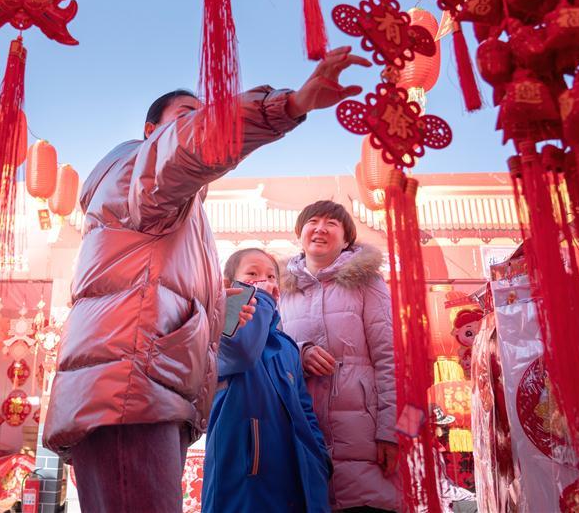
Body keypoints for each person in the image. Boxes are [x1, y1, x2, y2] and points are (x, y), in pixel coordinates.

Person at [41, 47, 372, 513]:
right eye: (187, 118)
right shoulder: (137, 171)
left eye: (270, 275)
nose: (200, 125)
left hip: (147, 391)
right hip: (130, 388)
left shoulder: (182, 216)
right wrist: (289, 105)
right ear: (152, 133)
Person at [280, 200, 399, 513]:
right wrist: (300, 354)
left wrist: (390, 431)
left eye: (332, 223)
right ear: (300, 233)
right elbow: (273, 353)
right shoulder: (282, 291)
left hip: (363, 436)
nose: (320, 228)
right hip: (303, 432)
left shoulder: (368, 282)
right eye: (313, 221)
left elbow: (389, 357)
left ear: (347, 239)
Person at [202, 248, 331, 513]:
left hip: (294, 474)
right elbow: (241, 351)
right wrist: (255, 299)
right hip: (244, 475)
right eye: (252, 274)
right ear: (229, 284)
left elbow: (304, 409)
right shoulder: (217, 328)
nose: (264, 282)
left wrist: (317, 456)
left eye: (271, 276)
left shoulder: (286, 346)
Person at [428, 405, 477, 513]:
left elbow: (445, 483)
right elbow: (443, 490)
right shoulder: (427, 453)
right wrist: (470, 496)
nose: (445, 429)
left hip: (444, 498)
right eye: (442, 426)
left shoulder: (433, 449)